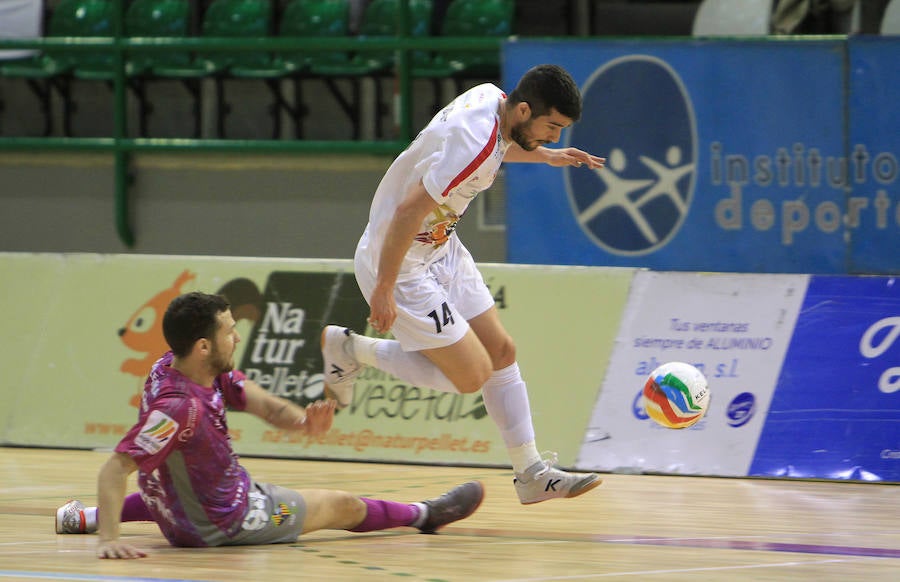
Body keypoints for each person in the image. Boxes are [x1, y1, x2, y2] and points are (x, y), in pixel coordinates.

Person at [321, 64, 606, 505]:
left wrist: (547, 156)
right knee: (473, 376)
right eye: (552, 128)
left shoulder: (493, 99)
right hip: (400, 261)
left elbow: (498, 148)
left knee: (502, 352)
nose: (554, 137)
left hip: (441, 247)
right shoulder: (472, 144)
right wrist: (384, 287)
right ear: (525, 109)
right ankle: (351, 349)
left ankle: (530, 474)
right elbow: (407, 212)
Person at [55, 292, 484, 559]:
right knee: (341, 505)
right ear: (204, 346)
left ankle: (82, 517)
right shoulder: (179, 408)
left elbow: (268, 408)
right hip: (225, 520)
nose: (237, 338)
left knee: (173, 484)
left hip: (185, 503)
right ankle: (426, 515)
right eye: (229, 331)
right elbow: (115, 468)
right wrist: (109, 540)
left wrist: (304, 422)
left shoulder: (184, 367)